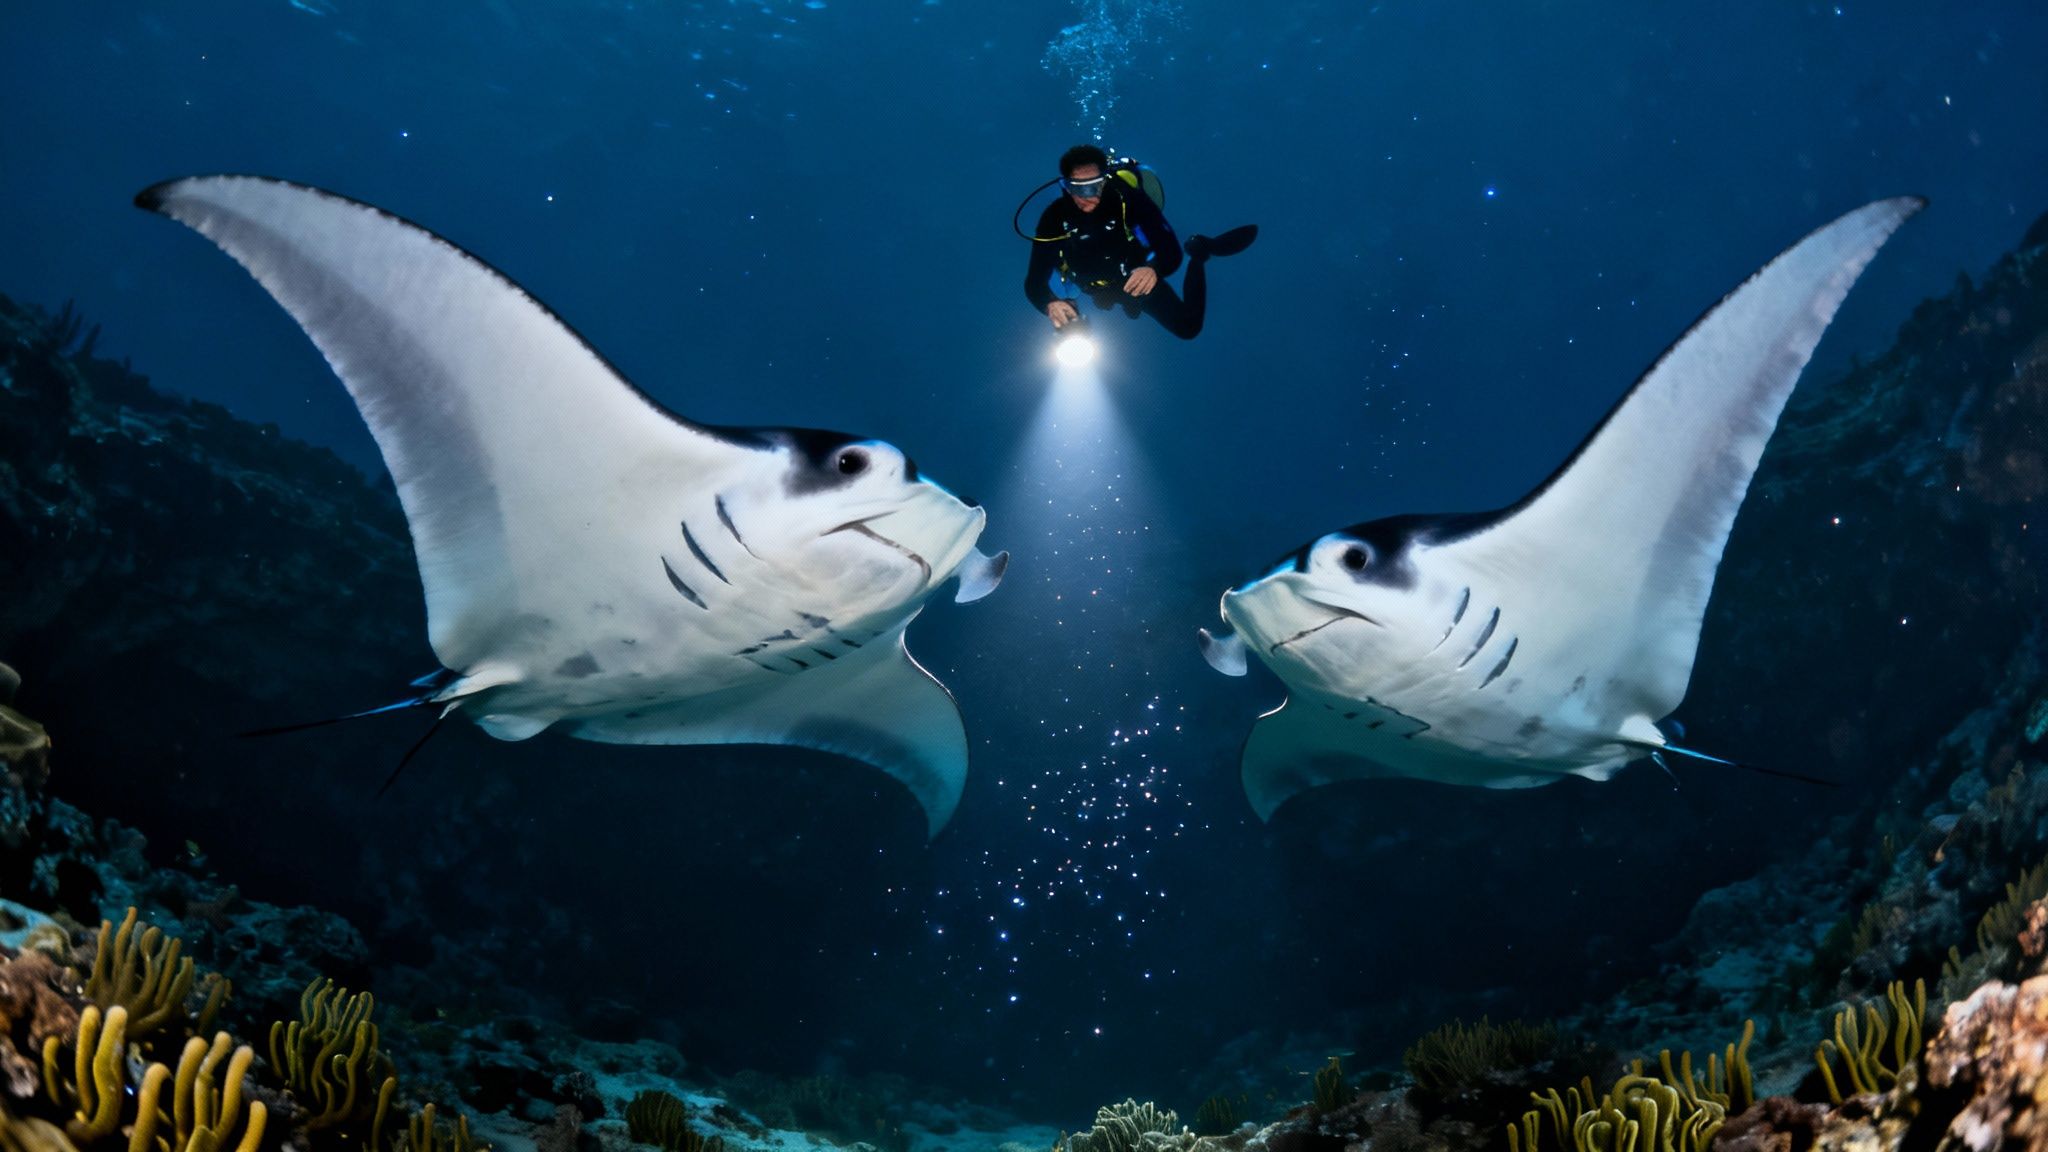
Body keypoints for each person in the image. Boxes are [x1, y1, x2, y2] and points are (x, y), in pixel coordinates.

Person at [1023, 144, 1257, 340]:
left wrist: (1154, 269)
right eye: (1078, 188)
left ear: (1104, 182)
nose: (1088, 197)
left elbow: (1170, 251)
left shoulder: (1127, 199)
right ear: (1066, 185)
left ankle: (1200, 252)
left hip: (1135, 275)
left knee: (1188, 327)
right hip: (1095, 286)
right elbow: (1034, 282)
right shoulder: (1054, 218)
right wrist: (1049, 303)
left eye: (1095, 186)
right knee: (1085, 322)